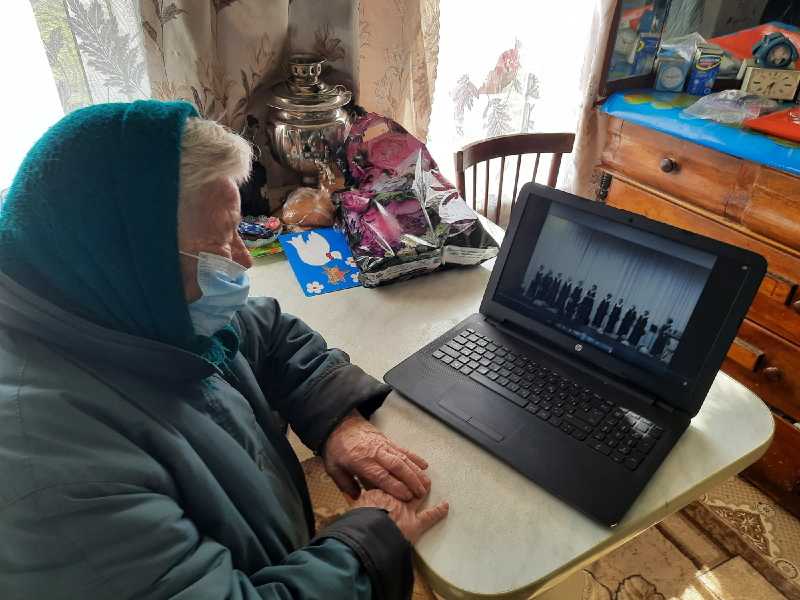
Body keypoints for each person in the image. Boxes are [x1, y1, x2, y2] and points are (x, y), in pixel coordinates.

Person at [0, 101, 448, 599]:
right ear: (130, 261)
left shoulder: (127, 308)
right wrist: (365, 546)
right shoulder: (48, 472)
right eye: (219, 243)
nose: (243, 259)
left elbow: (268, 333)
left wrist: (337, 421)